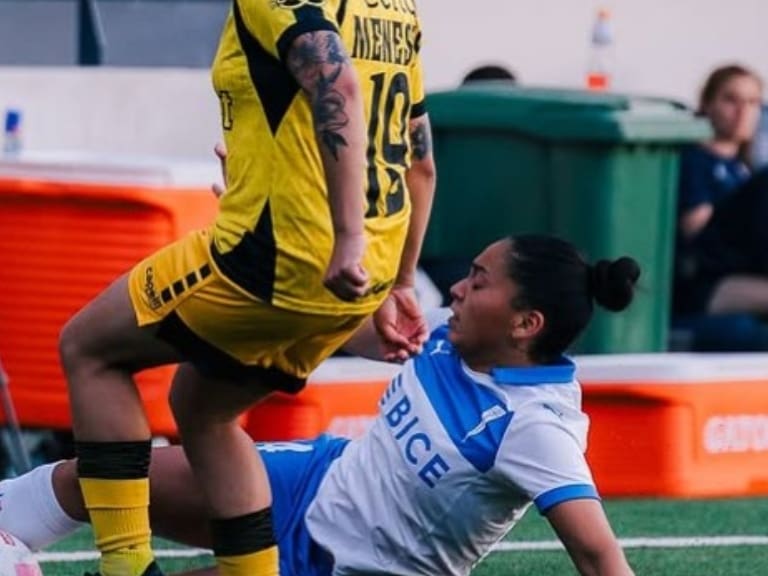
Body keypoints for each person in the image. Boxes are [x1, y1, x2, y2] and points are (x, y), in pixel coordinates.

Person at [57, 2, 436, 575]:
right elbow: (419, 157)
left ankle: (127, 567)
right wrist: (401, 279)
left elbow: (337, 83)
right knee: (202, 410)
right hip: (360, 276)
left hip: (279, 258)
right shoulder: (394, 8)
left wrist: (347, 237)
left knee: (89, 349)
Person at [11, 235, 638, 576]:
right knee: (94, 476)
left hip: (351, 566)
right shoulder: (450, 333)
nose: (456, 287)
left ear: (526, 323)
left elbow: (597, 553)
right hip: (309, 481)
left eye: (478, 280)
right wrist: (265, 233)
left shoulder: (535, 427)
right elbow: (348, 327)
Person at [672, 64, 768, 350]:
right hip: (707, 280)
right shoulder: (693, 160)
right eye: (731, 99)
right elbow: (698, 234)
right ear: (707, 105)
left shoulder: (744, 170)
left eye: (752, 102)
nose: (743, 111)